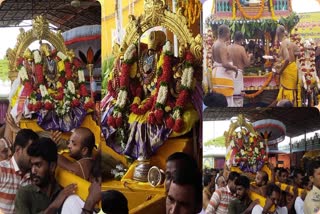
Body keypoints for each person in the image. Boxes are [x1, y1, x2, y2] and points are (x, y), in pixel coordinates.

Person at [14, 137, 77, 214]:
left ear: (52, 166)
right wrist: (54, 206)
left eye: (38, 165)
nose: (33, 171)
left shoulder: (64, 192)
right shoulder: (24, 193)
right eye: (32, 165)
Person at [0, 129, 38, 214]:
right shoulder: (2, 170)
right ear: (18, 150)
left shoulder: (35, 177)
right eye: (30, 152)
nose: (33, 157)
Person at [210, 25, 238, 107]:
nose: (229, 35)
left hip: (216, 74)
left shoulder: (214, 44)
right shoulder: (222, 45)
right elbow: (225, 64)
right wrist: (234, 68)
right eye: (229, 33)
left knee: (218, 101)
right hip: (222, 75)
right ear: (226, 33)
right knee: (226, 102)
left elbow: (214, 60)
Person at [274, 25, 298, 106]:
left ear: (278, 34)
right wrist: (279, 61)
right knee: (291, 92)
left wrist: (280, 71)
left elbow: (287, 59)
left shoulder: (284, 43)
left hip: (288, 71)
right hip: (293, 68)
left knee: (287, 93)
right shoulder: (289, 41)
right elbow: (297, 53)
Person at [228, 31, 252, 107]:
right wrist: (250, 56)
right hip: (238, 74)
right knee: (238, 99)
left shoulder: (228, 47)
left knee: (230, 98)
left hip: (228, 74)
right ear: (241, 39)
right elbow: (247, 63)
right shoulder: (241, 49)